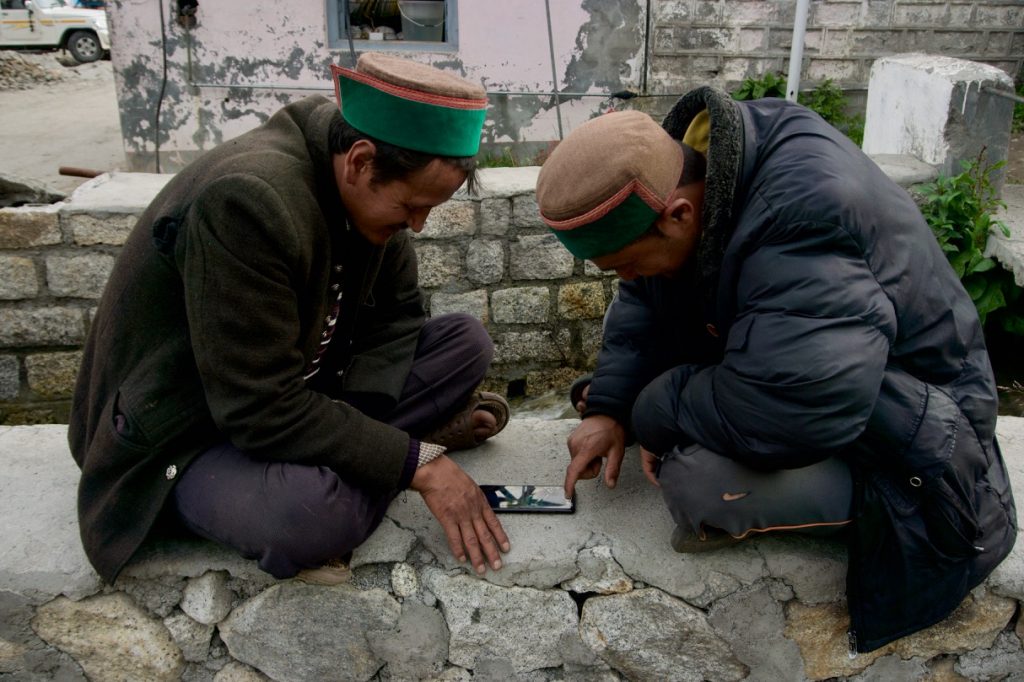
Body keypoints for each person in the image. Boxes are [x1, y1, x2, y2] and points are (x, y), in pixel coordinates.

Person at [534, 88, 1017, 652]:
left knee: (702, 487)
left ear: (678, 215)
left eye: (629, 263)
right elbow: (643, 298)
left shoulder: (802, 215)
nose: (629, 278)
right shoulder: (706, 168)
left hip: (922, 439)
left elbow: (792, 413)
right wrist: (611, 410)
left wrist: (655, 410)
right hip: (825, 376)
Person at [69, 54, 512, 586]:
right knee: (315, 517)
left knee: (466, 342)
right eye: (411, 206)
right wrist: (420, 464)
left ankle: (370, 452)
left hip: (299, 391)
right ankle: (391, 450)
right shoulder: (248, 201)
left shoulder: (373, 208)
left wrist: (373, 441)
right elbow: (258, 408)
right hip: (187, 431)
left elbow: (398, 319)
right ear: (360, 162)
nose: (416, 226)